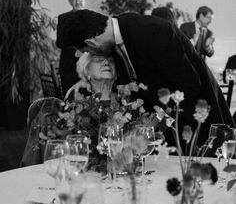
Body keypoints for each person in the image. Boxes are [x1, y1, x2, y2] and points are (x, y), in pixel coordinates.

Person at [59, 9, 235, 148]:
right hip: (166, 130)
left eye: (87, 51)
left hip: (195, 124)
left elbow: (189, 84)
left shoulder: (151, 31)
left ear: (92, 42)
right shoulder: (116, 38)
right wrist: (84, 80)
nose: (89, 54)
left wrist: (159, 122)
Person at [56, 0, 86, 96]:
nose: (77, 2)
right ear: (69, 1)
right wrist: (76, 51)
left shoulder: (93, 18)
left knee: (89, 104)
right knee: (69, 101)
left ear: (84, 0)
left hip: (87, 68)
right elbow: (59, 42)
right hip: (68, 68)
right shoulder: (63, 18)